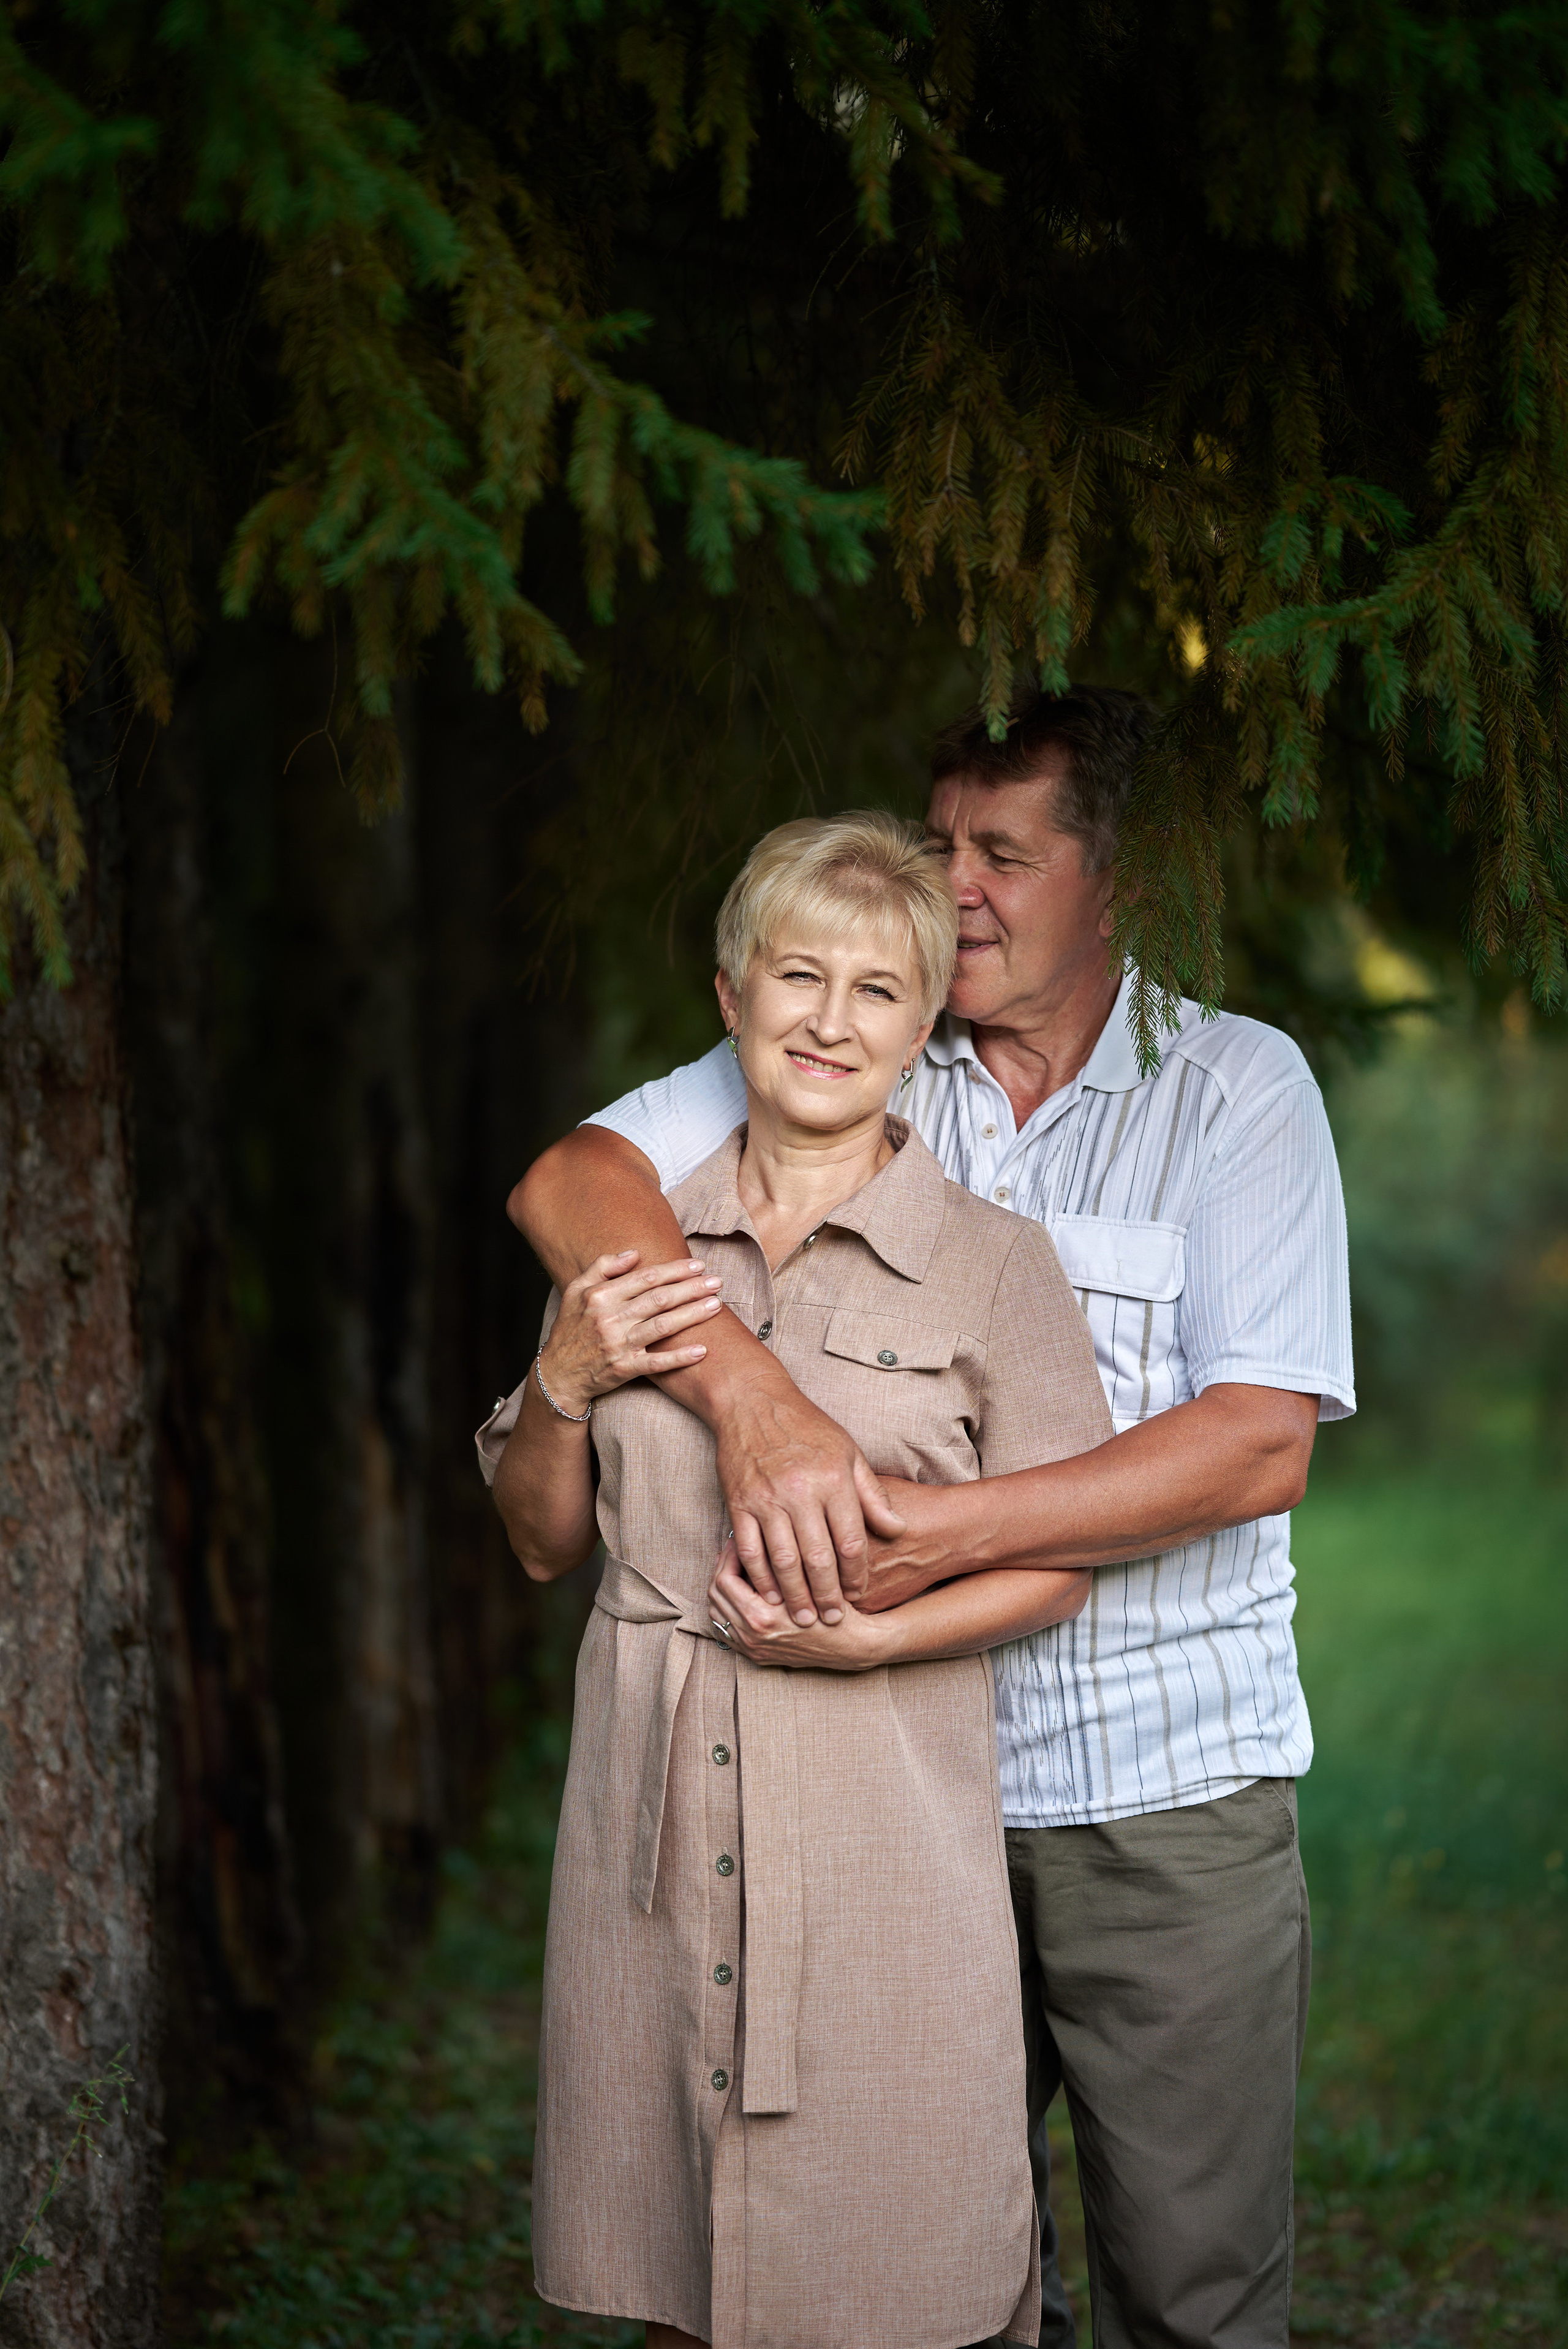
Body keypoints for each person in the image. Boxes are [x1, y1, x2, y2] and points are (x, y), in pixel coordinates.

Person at [513, 689, 1356, 2349]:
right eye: (940, 842)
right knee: (930, 2285)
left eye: (1003, 852)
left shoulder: (1235, 1085)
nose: (954, 883)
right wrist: (765, 1412)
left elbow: (1254, 1445)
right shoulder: (869, 1032)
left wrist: (915, 1538)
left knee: (1190, 2288)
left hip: (1151, 1787)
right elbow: (574, 1185)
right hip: (897, 1806)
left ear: (1108, 877)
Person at [480, 811, 1114, 2349]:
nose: (829, 1021)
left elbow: (1060, 1563)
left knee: (910, 2284)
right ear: (729, 996)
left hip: (883, 1853)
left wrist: (862, 1645)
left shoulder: (992, 1264)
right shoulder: (637, 1250)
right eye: (796, 975)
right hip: (644, 1839)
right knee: (674, 2290)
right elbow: (537, 1539)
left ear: (919, 1028)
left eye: (877, 991)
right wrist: (562, 1383)